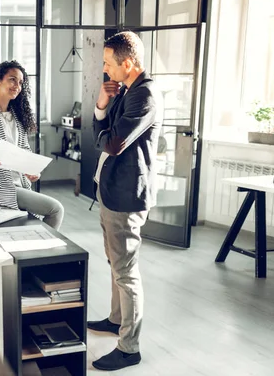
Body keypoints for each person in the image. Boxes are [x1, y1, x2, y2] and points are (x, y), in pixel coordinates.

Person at [88, 31, 163, 371]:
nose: (105, 69)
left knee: (126, 271)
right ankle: (116, 319)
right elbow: (102, 132)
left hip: (127, 196)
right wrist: (102, 105)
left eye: (107, 63)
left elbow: (112, 143)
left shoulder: (144, 94)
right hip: (111, 191)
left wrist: (103, 135)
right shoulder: (122, 92)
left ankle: (129, 347)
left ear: (128, 63)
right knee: (115, 264)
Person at [0, 60, 64, 230]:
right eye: (12, 80)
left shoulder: (18, 117)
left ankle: (36, 247)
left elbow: (24, 150)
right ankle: (42, 249)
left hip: (19, 184)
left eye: (20, 82)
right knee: (56, 209)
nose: (17, 86)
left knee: (48, 213)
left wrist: (31, 170)